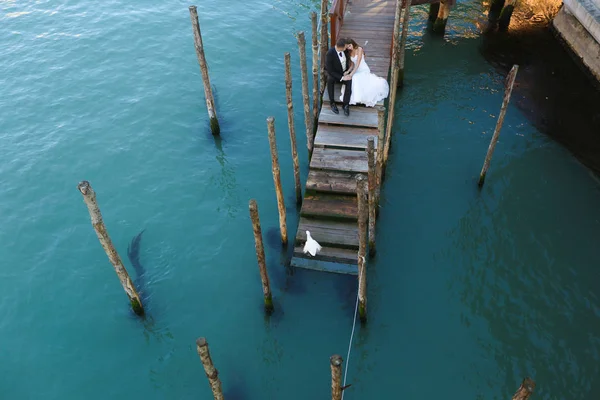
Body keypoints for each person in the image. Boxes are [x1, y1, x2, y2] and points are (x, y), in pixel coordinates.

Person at [340, 38, 389, 107]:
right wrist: (347, 71)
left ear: (352, 43)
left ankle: (359, 98)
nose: (349, 48)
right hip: (356, 70)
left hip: (363, 69)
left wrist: (351, 74)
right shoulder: (350, 52)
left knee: (355, 78)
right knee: (354, 79)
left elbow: (357, 63)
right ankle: (356, 98)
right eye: (347, 47)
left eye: (350, 46)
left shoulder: (359, 49)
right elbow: (352, 65)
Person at [325, 38, 353, 116]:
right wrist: (342, 77)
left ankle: (345, 105)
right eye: (345, 47)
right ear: (342, 47)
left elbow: (355, 49)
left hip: (345, 72)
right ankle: (332, 103)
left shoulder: (345, 50)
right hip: (335, 74)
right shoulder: (329, 54)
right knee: (330, 79)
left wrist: (346, 74)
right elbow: (330, 71)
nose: (346, 48)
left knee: (349, 81)